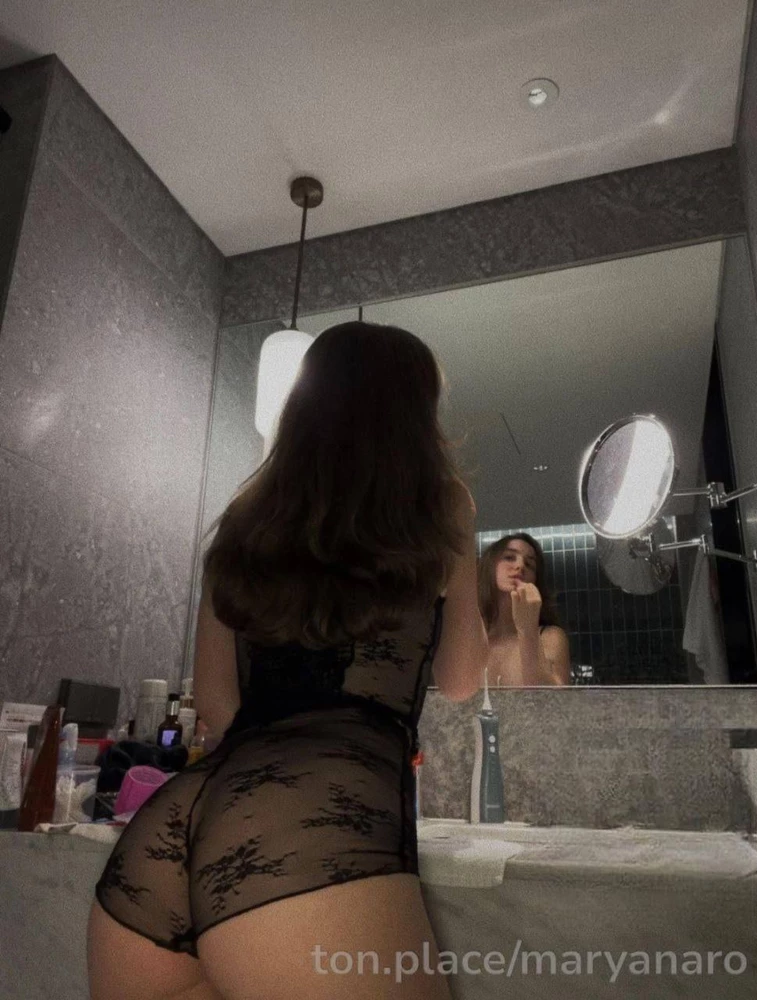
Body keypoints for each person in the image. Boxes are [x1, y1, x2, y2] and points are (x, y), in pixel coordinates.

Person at [87, 321, 490, 1000]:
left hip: (167, 837)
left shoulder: (248, 517)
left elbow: (218, 704)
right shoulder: (441, 504)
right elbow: (459, 678)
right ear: (415, 415)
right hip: (310, 829)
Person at [478, 533, 571, 686]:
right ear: (489, 566)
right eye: (509, 557)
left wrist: (527, 630)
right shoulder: (472, 640)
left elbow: (553, 699)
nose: (520, 566)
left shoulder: (550, 638)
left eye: (529, 565)